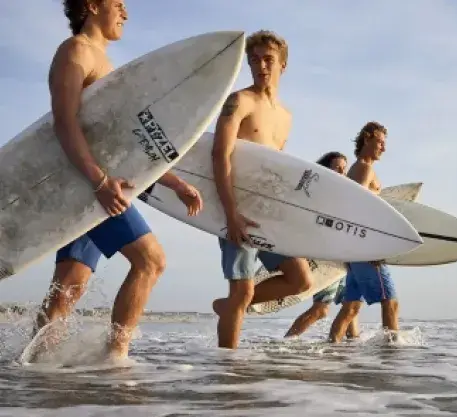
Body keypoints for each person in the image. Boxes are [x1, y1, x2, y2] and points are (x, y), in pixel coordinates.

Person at [34, 0, 203, 360]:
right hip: (87, 185)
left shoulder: (103, 61)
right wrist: (97, 182)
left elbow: (122, 145)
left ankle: (34, 367)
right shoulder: (76, 51)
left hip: (94, 182)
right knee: (151, 261)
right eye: (118, 4)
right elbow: (63, 122)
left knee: (69, 286)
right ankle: (116, 357)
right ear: (93, 6)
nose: (126, 13)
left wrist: (175, 183)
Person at [211, 30, 313, 349]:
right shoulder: (239, 101)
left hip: (268, 211)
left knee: (300, 280)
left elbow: (274, 169)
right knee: (241, 291)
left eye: (268, 59)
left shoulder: (285, 117)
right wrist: (230, 212)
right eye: (254, 60)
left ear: (283, 64)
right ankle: (228, 370)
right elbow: (220, 154)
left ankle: (230, 308)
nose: (261, 66)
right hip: (237, 208)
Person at [328, 121, 399, 343]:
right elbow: (352, 209)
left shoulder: (358, 168)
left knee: (350, 309)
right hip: (365, 248)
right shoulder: (364, 169)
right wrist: (369, 249)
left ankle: (332, 349)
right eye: (380, 142)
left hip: (355, 249)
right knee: (390, 302)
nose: (383, 148)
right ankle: (391, 355)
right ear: (367, 139)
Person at [283, 152, 360, 339]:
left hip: (342, 258)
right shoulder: (318, 195)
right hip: (325, 258)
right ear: (326, 169)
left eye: (344, 168)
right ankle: (284, 345)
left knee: (352, 307)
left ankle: (350, 354)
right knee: (321, 310)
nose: (342, 172)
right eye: (338, 168)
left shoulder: (343, 195)